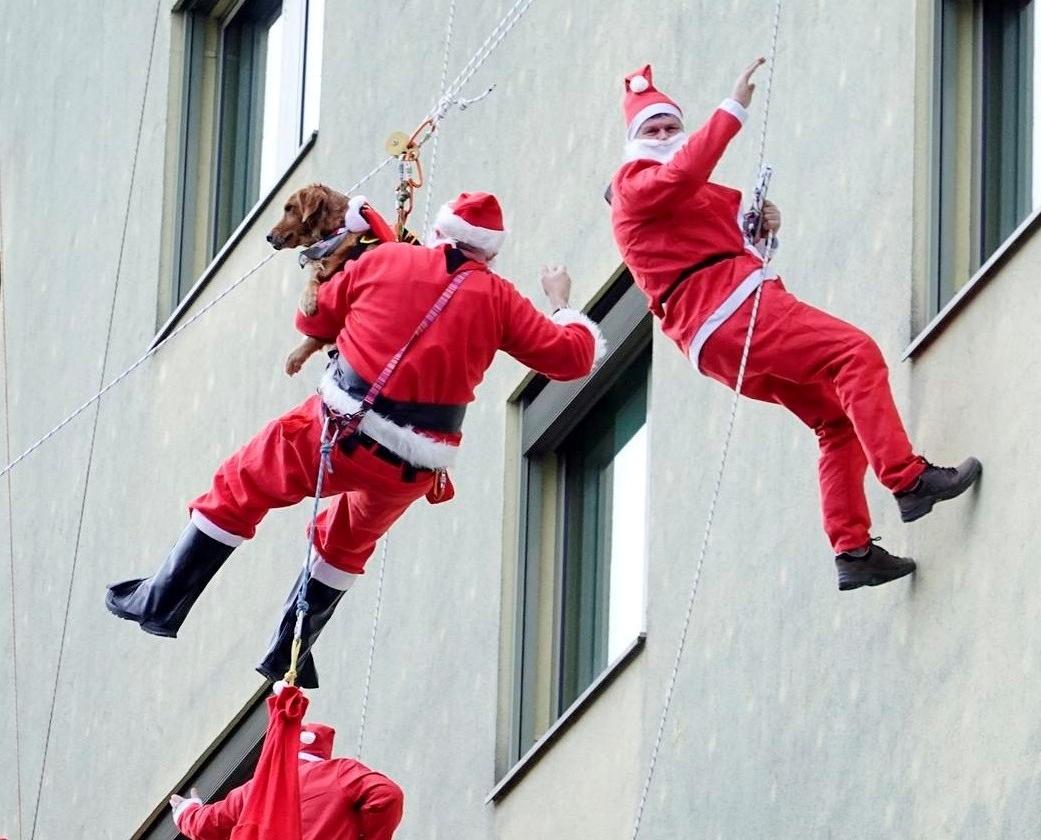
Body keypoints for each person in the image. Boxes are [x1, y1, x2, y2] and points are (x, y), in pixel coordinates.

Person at [106, 191, 605, 682]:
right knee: (343, 544)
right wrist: (561, 303)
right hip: (412, 466)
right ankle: (291, 650)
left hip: (341, 427)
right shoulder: (500, 300)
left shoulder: (386, 259)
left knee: (241, 485)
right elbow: (573, 358)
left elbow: (312, 317)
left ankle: (163, 601)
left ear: (437, 232)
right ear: (490, 253)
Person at [608, 60, 980, 590]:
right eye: (653, 129)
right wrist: (732, 107)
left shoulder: (686, 195)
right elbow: (684, 173)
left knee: (836, 422)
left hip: (718, 335)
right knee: (855, 354)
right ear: (633, 142)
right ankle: (909, 479)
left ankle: (852, 551)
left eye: (671, 126)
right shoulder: (632, 185)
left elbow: (726, 230)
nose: (666, 135)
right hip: (732, 312)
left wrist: (761, 228)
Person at [167, 721, 403, 840]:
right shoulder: (337, 772)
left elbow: (209, 823)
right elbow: (386, 795)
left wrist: (186, 810)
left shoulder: (257, 788)